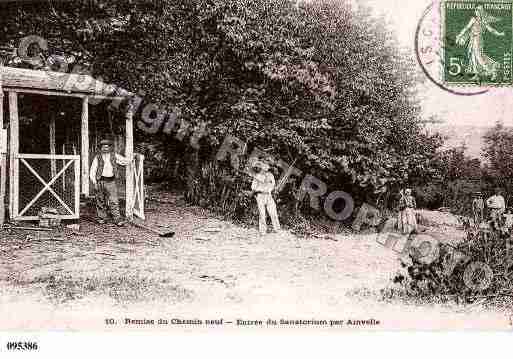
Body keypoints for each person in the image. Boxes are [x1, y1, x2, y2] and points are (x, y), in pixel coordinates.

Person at [455, 5, 505, 81]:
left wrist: (499, 33)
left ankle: (491, 71)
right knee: (473, 56)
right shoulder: (474, 19)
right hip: (473, 39)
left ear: (481, 12)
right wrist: (459, 35)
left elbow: (491, 30)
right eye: (476, 10)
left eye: (478, 10)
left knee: (478, 56)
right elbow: (466, 28)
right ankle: (476, 74)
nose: (477, 12)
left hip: (477, 39)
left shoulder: (483, 21)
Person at [89, 139, 130, 226]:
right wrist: (94, 182)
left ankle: (117, 219)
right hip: (100, 181)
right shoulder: (97, 157)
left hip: (111, 181)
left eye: (107, 147)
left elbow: (125, 161)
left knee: (114, 200)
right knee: (100, 200)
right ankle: (102, 218)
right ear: (101, 148)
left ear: (110, 148)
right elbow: (92, 171)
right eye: (103, 147)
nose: (105, 148)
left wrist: (133, 157)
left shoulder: (114, 155)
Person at [250, 161, 281, 236]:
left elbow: (273, 184)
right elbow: (253, 187)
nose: (264, 168)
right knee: (262, 213)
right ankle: (263, 230)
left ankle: (277, 229)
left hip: (268, 195)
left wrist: (269, 189)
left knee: (273, 212)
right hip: (260, 195)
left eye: (266, 167)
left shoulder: (270, 175)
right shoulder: (257, 176)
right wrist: (257, 191)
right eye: (263, 167)